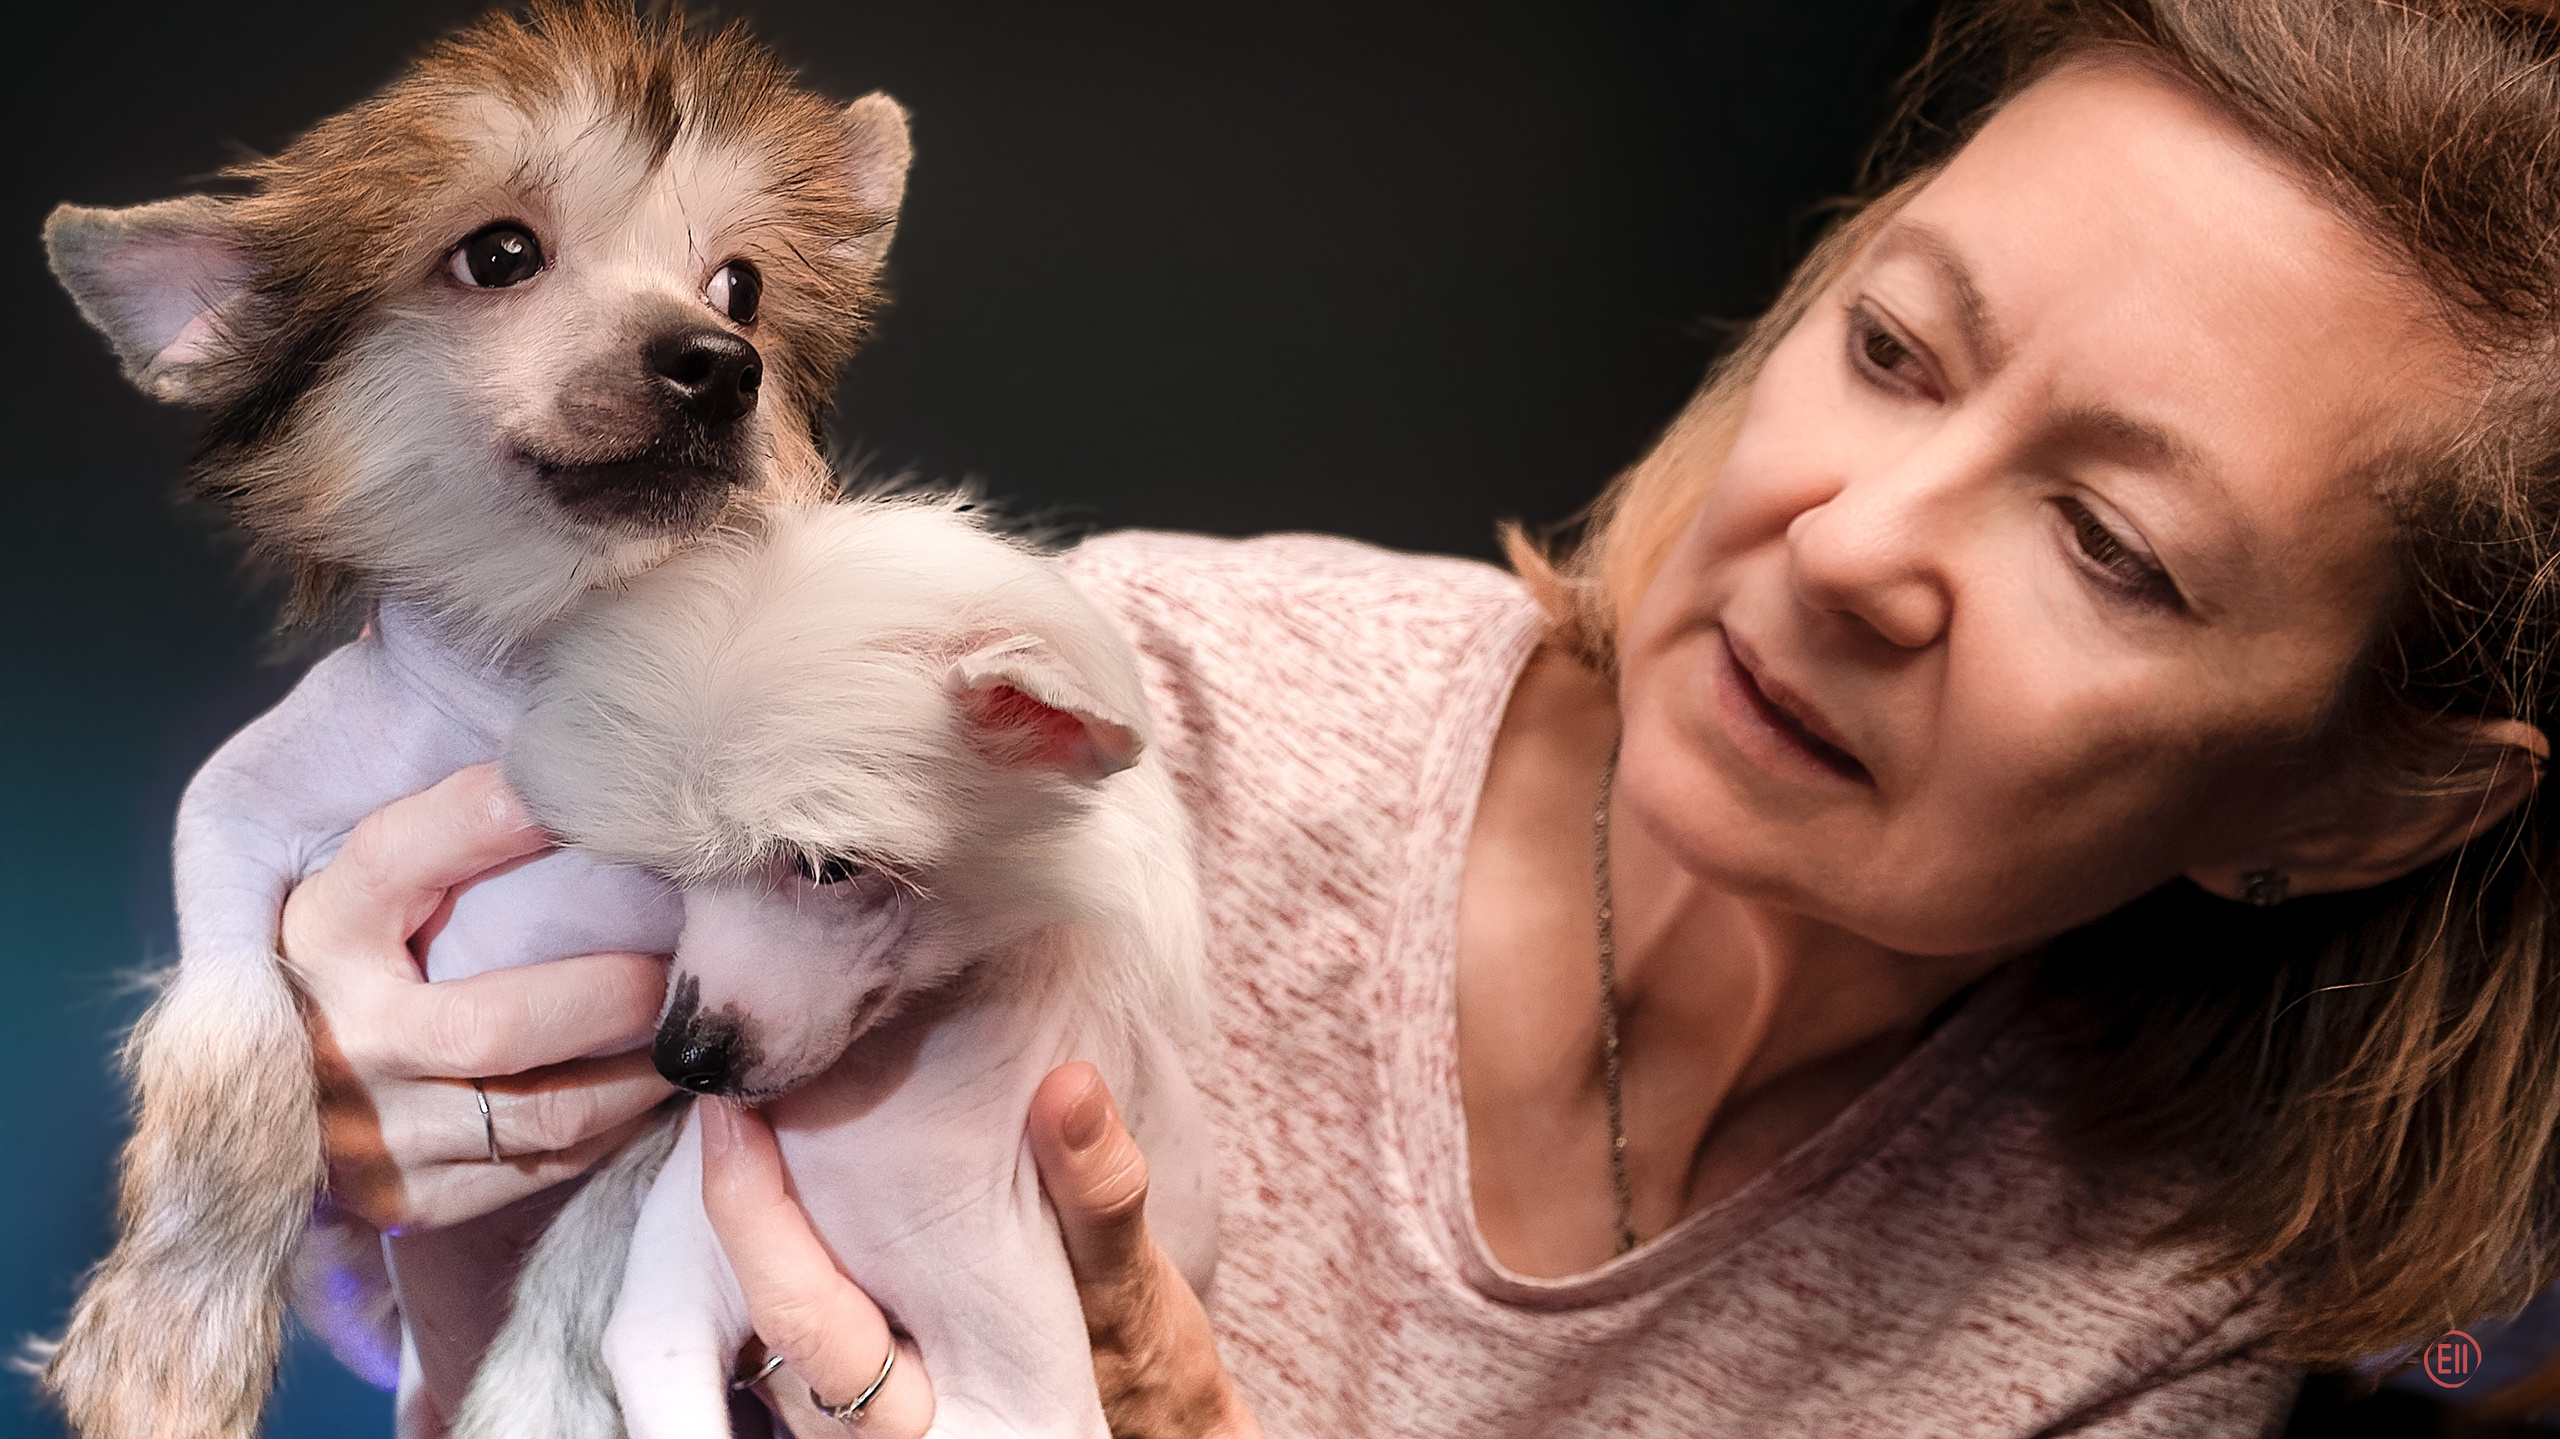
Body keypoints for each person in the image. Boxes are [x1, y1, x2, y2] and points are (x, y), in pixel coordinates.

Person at [277, 0, 2560, 1433]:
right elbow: (415, 1287)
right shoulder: (1115, 721)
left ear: (2352, 804)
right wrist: (402, 1199)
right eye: (1890, 349)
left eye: (2112, 549)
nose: (1856, 543)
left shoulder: (2128, 1331)